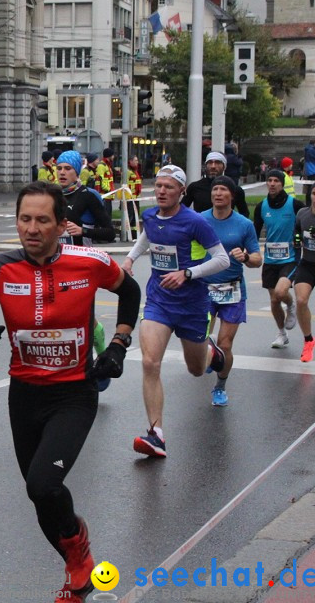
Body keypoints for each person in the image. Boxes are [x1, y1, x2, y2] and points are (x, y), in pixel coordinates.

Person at [0, 181, 141, 603]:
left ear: (62, 225)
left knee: (43, 484)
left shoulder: (90, 262)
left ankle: (79, 557)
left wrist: (118, 343)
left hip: (74, 394)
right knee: (40, 496)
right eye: (25, 219)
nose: (32, 228)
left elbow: (130, 291)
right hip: (24, 395)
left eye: (43, 220)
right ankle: (80, 571)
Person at [122, 165, 229, 457]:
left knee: (196, 370)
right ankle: (155, 434)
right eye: (158, 186)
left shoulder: (195, 222)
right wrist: (131, 259)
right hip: (159, 300)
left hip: (192, 304)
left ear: (182, 191)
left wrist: (188, 274)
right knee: (149, 362)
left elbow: (222, 260)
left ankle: (211, 353)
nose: (161, 191)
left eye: (169, 187)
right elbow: (147, 237)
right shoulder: (149, 215)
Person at [200, 176, 262, 406]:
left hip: (232, 290)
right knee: (199, 341)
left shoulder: (244, 224)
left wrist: (245, 257)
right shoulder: (200, 220)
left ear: (232, 196)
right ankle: (210, 351)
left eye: (223, 190)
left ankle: (220, 386)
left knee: (226, 345)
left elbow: (257, 259)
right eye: (214, 189)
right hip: (204, 289)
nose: (217, 193)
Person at [254, 169, 305, 349]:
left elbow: (304, 225)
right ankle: (282, 333)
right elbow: (255, 231)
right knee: (274, 300)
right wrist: (253, 252)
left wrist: (299, 241)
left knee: (281, 293)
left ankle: (291, 306)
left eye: (276, 180)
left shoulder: (295, 205)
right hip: (270, 259)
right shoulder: (262, 206)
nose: (272, 184)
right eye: (270, 180)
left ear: (282, 184)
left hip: (290, 258)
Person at [55, 151, 115, 247]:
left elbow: (110, 233)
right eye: (59, 168)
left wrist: (83, 231)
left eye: (67, 168)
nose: (62, 172)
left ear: (77, 172)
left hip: (80, 258)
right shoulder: (52, 195)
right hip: (55, 258)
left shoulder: (88, 195)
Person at [294, 180, 315, 362]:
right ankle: (308, 340)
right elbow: (297, 231)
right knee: (301, 300)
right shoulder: (302, 214)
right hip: (308, 264)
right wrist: (297, 240)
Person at [181, 151, 251, 217]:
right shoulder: (194, 187)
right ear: (206, 165)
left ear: (224, 166)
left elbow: (244, 213)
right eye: (210, 163)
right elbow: (181, 211)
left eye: (217, 163)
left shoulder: (235, 189)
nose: (213, 166)